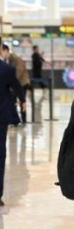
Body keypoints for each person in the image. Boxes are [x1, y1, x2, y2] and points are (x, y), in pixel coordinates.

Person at [0, 54, 26, 207]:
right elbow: (17, 87)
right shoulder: (6, 69)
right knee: (0, 154)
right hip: (1, 115)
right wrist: (22, 100)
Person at [2, 44, 30, 122]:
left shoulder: (15, 58)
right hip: (14, 84)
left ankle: (23, 119)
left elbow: (19, 71)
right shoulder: (5, 60)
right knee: (12, 100)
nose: (1, 54)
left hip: (22, 83)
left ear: (6, 51)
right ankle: (15, 120)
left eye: (2, 52)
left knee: (22, 100)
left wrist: (11, 81)